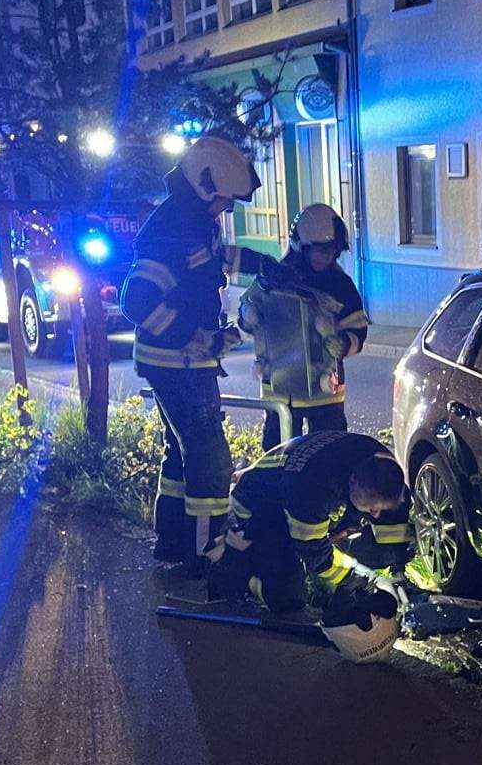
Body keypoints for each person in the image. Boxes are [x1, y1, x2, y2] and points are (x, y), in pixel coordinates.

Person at [120, 135, 281, 571]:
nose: (226, 209)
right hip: (177, 362)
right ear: (205, 187)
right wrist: (190, 337)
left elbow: (212, 260)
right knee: (209, 458)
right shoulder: (171, 230)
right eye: (225, 201)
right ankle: (206, 555)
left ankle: (173, 542)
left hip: (180, 361)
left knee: (181, 453)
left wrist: (261, 263)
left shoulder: (191, 221)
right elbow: (137, 300)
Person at [207, 430, 412, 662]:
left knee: (369, 537)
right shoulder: (311, 490)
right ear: (352, 482)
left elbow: (391, 519)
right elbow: (316, 555)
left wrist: (398, 571)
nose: (375, 514)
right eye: (370, 507)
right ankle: (234, 564)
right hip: (259, 503)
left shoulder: (385, 471)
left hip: (304, 489)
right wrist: (355, 577)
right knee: (286, 596)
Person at [239, 204, 368, 449]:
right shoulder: (273, 278)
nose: (326, 257)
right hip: (280, 391)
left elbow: (358, 328)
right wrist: (249, 316)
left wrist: (344, 344)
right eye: (320, 251)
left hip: (324, 390)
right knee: (278, 457)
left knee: (330, 453)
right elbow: (247, 317)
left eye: (331, 251)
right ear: (302, 246)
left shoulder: (340, 285)